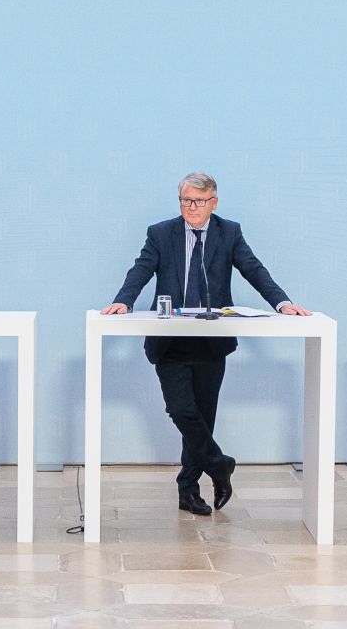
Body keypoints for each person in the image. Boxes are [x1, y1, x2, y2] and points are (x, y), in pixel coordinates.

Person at [102, 172, 311, 516]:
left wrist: (282, 302)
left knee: (203, 416)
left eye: (199, 201)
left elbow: (253, 269)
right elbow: (140, 269)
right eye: (186, 200)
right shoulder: (161, 232)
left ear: (214, 202)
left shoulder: (229, 232)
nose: (192, 207)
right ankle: (219, 464)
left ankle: (188, 490)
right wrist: (124, 300)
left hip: (211, 339)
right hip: (170, 337)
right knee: (182, 410)